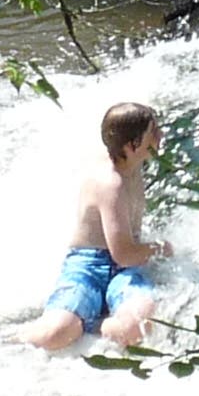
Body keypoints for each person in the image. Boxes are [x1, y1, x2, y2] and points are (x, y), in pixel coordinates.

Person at [22, 100, 164, 353]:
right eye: (153, 132)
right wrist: (161, 248)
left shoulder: (129, 160)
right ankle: (33, 331)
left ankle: (95, 322)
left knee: (138, 328)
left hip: (123, 269)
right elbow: (124, 254)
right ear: (132, 145)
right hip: (88, 264)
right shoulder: (111, 183)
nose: (160, 136)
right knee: (54, 335)